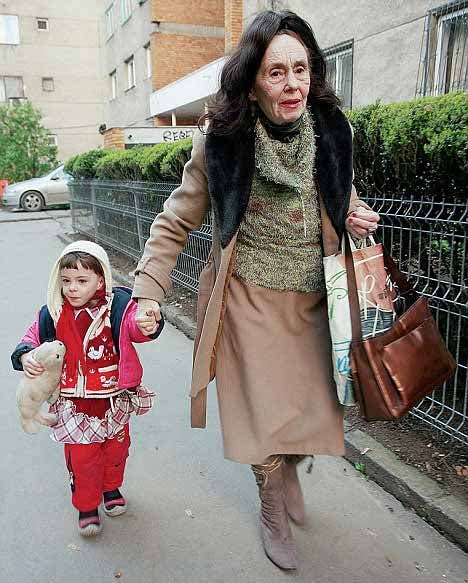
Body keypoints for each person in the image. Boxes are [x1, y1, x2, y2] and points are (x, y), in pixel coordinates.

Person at [133, 10, 380, 570]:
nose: (292, 84)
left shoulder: (332, 131)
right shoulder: (222, 144)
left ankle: (290, 465)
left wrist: (354, 213)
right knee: (257, 412)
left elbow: (344, 195)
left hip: (315, 296)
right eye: (276, 73)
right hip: (245, 297)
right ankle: (270, 501)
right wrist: (150, 288)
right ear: (251, 83)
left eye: (301, 69)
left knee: (309, 405)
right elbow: (176, 219)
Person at [11, 241, 163, 537]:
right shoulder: (52, 314)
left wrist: (147, 323)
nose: (72, 288)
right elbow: (29, 340)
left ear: (101, 280)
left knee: (117, 451)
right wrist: (27, 355)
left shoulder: (117, 309)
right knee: (82, 461)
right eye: (66, 280)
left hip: (113, 403)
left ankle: (111, 489)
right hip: (73, 406)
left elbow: (135, 326)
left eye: (82, 281)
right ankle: (87, 505)